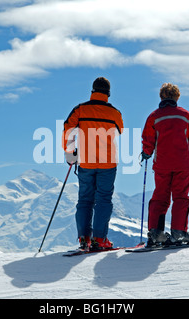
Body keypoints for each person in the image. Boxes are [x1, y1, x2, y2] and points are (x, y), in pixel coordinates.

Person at [62, 77, 124, 250]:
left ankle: (84, 238)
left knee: (85, 200)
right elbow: (120, 130)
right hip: (107, 162)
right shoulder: (115, 113)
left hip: (86, 162)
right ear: (108, 93)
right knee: (103, 199)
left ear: (93, 90)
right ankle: (100, 239)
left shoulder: (80, 109)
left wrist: (70, 153)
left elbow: (68, 130)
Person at [141, 83, 189, 247]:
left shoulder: (154, 116)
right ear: (177, 97)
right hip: (182, 162)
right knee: (180, 197)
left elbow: (148, 139)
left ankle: (156, 233)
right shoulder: (185, 115)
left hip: (162, 164)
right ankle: (179, 232)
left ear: (161, 97)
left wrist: (146, 152)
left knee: (160, 196)